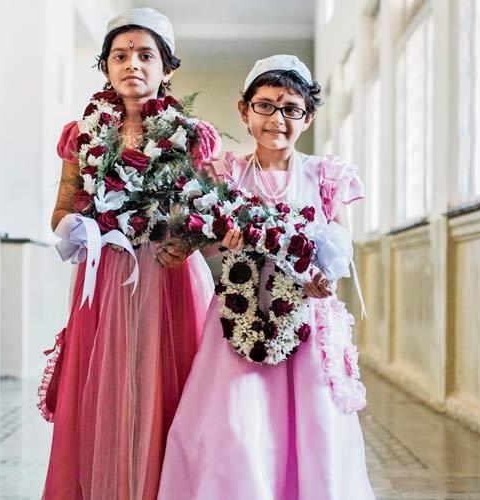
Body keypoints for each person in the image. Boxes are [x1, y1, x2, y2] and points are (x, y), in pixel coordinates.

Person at [158, 55, 375, 500]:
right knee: (237, 423)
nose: (278, 119)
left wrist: (322, 278)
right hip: (238, 315)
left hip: (308, 324)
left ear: (308, 117)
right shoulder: (226, 175)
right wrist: (226, 242)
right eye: (266, 106)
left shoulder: (326, 175)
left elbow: (338, 246)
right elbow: (209, 242)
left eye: (291, 108)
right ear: (245, 111)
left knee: (314, 430)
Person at [40, 8, 220, 499]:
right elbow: (59, 211)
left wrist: (187, 239)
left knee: (170, 386)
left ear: (167, 69)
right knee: (109, 391)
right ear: (106, 67)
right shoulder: (84, 135)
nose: (132, 65)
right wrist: (77, 226)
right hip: (108, 274)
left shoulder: (191, 137)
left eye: (146, 55)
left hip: (170, 276)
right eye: (120, 55)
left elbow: (213, 213)